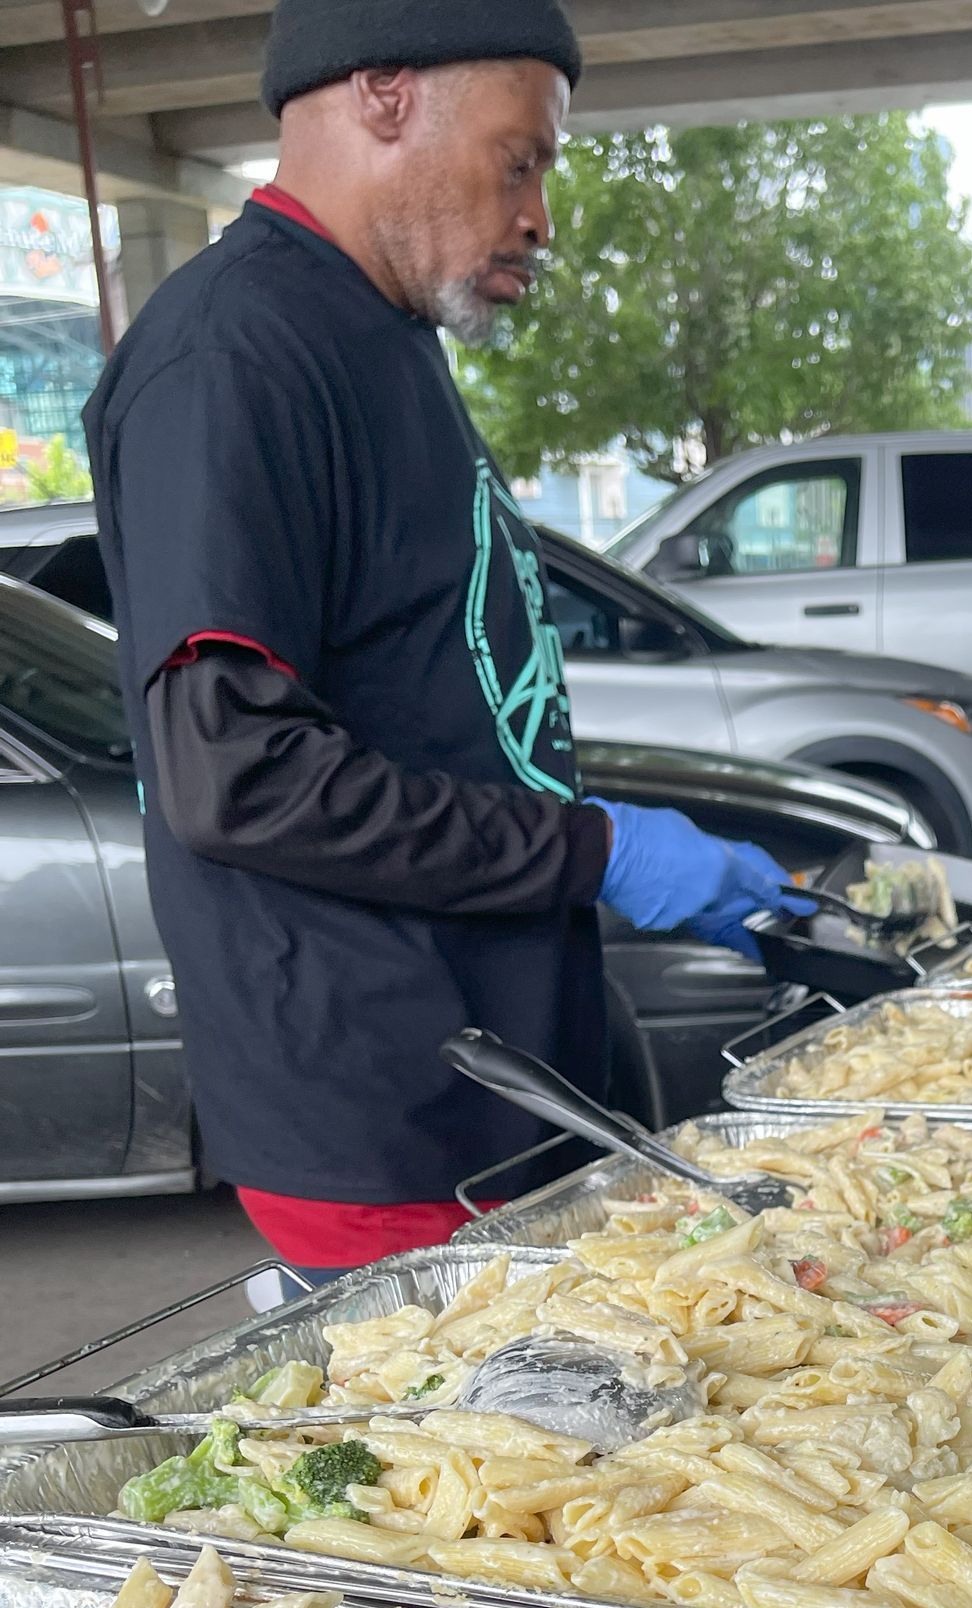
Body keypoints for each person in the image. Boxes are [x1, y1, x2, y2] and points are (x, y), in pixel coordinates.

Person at [84, 0, 811, 1290]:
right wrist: (597, 851)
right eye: (519, 159)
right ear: (381, 94)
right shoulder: (232, 355)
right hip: (385, 1120)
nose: (541, 216)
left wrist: (609, 838)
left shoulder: (381, 336)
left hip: (490, 1085)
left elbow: (433, 700)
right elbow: (234, 774)